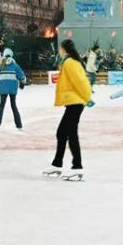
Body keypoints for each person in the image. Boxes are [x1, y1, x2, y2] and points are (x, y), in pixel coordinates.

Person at [42, 39, 93, 181]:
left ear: (64, 49)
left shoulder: (70, 63)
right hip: (73, 102)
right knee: (62, 133)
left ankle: (77, 167)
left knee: (71, 134)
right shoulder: (70, 62)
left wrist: (88, 98)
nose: (59, 50)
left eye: (60, 48)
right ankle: (57, 164)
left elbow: (81, 81)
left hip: (76, 103)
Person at [0, 48, 26, 130]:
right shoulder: (15, 65)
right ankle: (19, 125)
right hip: (13, 89)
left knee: (1, 106)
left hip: (2, 89)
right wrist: (23, 82)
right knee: (14, 106)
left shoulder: (1, 65)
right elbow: (22, 76)